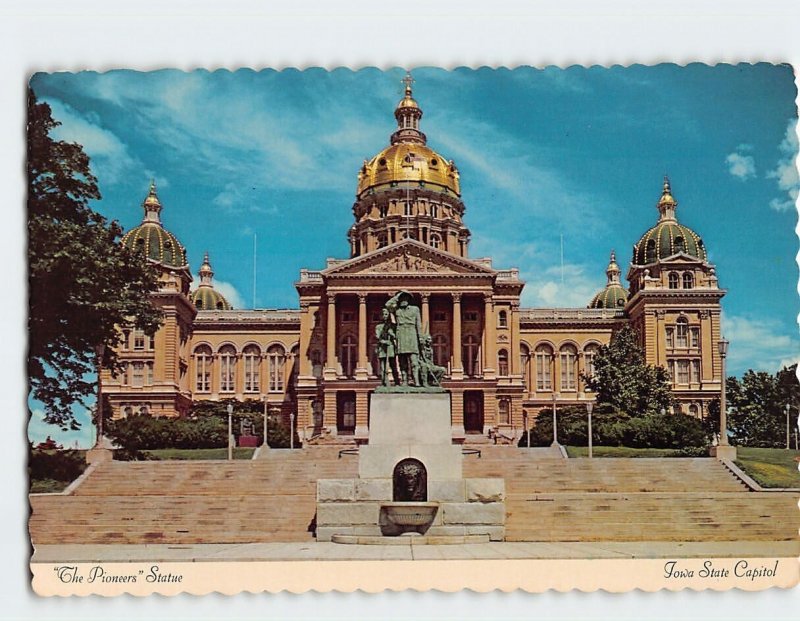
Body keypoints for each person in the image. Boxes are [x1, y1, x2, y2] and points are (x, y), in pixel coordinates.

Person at [385, 291, 422, 386]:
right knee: (402, 361)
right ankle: (404, 381)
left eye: (406, 298)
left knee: (414, 361)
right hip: (401, 333)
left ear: (409, 300)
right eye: (402, 298)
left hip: (412, 333)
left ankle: (416, 381)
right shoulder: (397, 310)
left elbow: (418, 324)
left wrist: (420, 337)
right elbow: (387, 305)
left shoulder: (415, 309)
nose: (404, 300)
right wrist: (397, 296)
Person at [375, 307, 400, 386]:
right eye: (383, 314)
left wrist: (392, 334)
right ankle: (385, 382)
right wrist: (385, 342)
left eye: (386, 314)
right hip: (382, 348)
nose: (385, 316)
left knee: (393, 366)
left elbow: (396, 336)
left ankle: (397, 382)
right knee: (384, 367)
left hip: (391, 348)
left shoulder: (393, 326)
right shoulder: (379, 327)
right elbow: (378, 337)